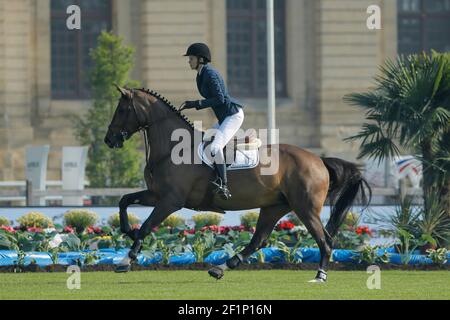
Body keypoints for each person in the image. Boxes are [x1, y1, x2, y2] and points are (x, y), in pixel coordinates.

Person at [182, 43, 244, 200]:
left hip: (233, 115)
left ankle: (223, 184)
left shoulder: (210, 73)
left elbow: (219, 98)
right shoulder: (201, 74)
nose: (189, 61)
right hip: (224, 117)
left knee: (215, 147)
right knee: (205, 141)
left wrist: (196, 104)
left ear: (201, 59)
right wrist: (193, 104)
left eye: (191, 58)